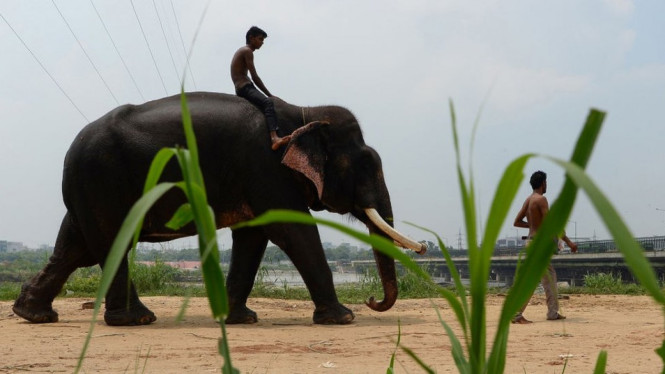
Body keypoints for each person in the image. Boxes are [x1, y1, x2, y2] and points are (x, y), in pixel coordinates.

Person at [512, 170, 578, 324]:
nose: (546, 185)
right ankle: (516, 313)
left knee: (549, 277)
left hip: (530, 241)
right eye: (546, 182)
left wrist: (534, 225)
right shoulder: (541, 200)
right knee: (536, 279)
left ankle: (553, 312)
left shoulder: (528, 200)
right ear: (542, 183)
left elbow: (517, 222)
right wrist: (568, 242)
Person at [230, 26, 290, 150]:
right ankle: (274, 137)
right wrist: (269, 95)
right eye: (260, 39)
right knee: (268, 103)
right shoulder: (247, 51)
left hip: (240, 87)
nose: (262, 42)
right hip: (245, 86)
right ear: (251, 38)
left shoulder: (243, 51)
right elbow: (254, 76)